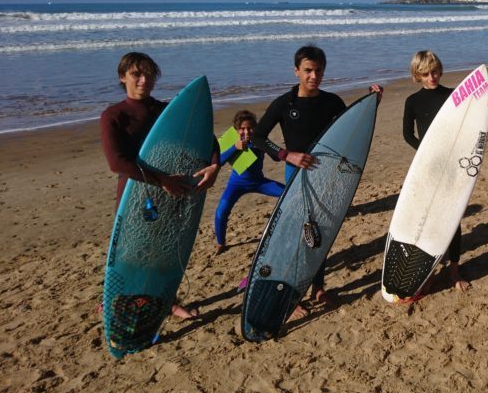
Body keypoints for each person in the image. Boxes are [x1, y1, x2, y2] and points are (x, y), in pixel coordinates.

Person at [253, 44, 382, 316]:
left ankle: (318, 287)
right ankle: (291, 290)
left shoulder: (331, 102)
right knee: (294, 235)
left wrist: (373, 103)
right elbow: (257, 136)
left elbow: (351, 129)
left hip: (326, 177)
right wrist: (286, 155)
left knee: (319, 234)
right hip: (296, 176)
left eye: (318, 70)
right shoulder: (284, 104)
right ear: (297, 71)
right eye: (308, 70)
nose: (313, 76)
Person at [100, 52, 220, 320]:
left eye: (149, 74)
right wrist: (162, 180)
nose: (144, 80)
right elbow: (118, 163)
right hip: (135, 195)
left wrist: (215, 166)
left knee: (163, 251)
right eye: (136, 74)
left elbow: (208, 139)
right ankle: (118, 300)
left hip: (172, 193)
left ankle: (168, 303)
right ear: (123, 77)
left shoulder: (167, 112)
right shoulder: (113, 115)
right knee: (133, 252)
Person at [402, 51, 488, 292]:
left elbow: (469, 122)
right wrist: (425, 151)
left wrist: (485, 109)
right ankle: (432, 267)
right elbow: (407, 134)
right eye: (425, 74)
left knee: (452, 218)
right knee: (430, 216)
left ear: (440, 70)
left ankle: (454, 269)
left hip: (453, 165)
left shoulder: (454, 96)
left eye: (434, 72)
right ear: (417, 75)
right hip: (429, 167)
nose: (431, 77)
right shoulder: (412, 101)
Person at [213, 110, 285, 254]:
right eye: (242, 128)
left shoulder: (259, 140)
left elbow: (277, 158)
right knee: (221, 212)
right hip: (236, 184)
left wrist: (262, 146)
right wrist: (235, 147)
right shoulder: (233, 142)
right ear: (236, 130)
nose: (246, 131)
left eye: (250, 127)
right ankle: (221, 243)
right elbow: (219, 161)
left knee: (288, 193)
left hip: (259, 182)